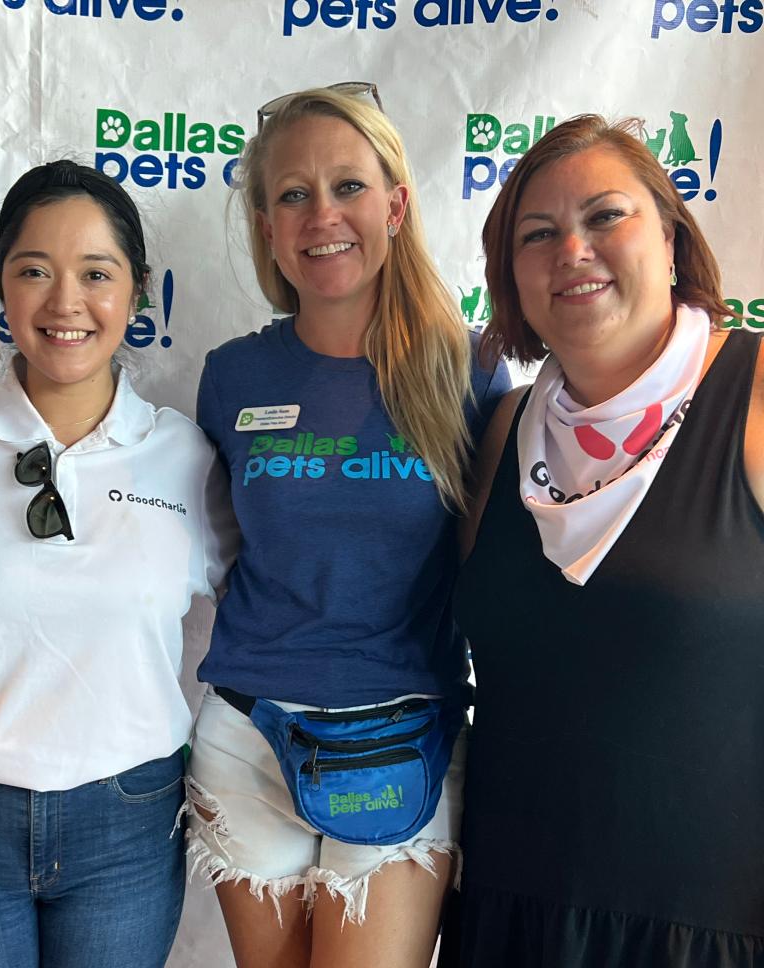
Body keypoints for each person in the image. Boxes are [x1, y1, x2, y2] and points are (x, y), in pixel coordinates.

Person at [184, 84, 511, 968]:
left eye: (348, 187)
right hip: (248, 739)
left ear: (397, 204)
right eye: (292, 194)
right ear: (265, 223)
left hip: (406, 739)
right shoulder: (232, 376)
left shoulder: (470, 372)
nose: (321, 215)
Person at [0, 159, 234, 968]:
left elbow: (271, 606)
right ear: (0, 287)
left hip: (129, 816)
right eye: (34, 271)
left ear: (138, 292)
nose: (65, 302)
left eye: (96, 274)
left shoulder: (187, 455)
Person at [443, 115, 763, 968]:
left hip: (708, 927)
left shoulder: (756, 393)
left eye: (604, 217)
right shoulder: (503, 428)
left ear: (669, 237)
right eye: (537, 234)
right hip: (512, 916)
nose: (571, 249)